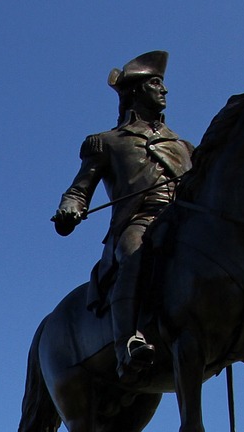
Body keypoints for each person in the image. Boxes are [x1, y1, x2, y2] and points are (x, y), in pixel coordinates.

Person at [52, 50, 195, 382]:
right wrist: (70, 207)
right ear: (137, 90)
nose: (165, 90)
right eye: (156, 83)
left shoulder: (185, 147)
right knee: (134, 254)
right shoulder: (108, 142)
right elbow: (79, 188)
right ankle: (127, 343)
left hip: (186, 220)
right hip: (141, 221)